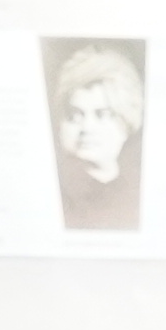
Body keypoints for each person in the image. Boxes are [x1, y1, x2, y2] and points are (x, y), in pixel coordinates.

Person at [48, 36, 148, 234]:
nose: (87, 127)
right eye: (75, 115)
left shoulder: (138, 192)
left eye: (102, 115)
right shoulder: (55, 194)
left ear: (126, 121)